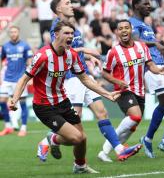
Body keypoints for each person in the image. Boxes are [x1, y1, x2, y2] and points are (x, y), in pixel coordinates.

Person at [8, 20, 136, 174]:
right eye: (66, 33)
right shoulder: (43, 55)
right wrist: (14, 98)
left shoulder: (72, 55)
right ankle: (52, 139)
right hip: (44, 106)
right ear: (56, 35)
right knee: (76, 138)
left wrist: (107, 94)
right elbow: (24, 78)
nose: (71, 37)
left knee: (82, 138)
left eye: (72, 34)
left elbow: (85, 79)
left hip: (63, 102)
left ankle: (80, 166)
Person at [36, 0, 142, 166]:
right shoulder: (56, 27)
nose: (71, 5)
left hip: (84, 75)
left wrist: (89, 56)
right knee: (75, 121)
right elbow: (62, 50)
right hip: (72, 78)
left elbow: (74, 53)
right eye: (68, 3)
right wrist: (86, 50)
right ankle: (49, 139)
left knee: (102, 113)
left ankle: (119, 150)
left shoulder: (72, 26)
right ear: (58, 8)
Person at [97, 19, 164, 162]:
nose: (123, 30)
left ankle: (104, 152)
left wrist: (159, 71)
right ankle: (119, 148)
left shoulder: (142, 47)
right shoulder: (114, 51)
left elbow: (150, 65)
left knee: (133, 124)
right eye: (120, 28)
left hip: (140, 90)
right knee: (135, 116)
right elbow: (104, 73)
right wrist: (117, 81)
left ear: (131, 30)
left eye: (126, 28)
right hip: (123, 90)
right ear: (117, 32)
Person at [129, 0, 164, 158]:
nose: (149, 6)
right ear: (136, 5)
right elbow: (133, 40)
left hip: (163, 64)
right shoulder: (132, 22)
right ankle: (148, 139)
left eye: (149, 3)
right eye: (145, 3)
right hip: (150, 67)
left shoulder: (148, 26)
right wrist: (155, 44)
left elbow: (154, 48)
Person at [0, 25, 33, 136]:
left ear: (18, 32)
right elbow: (1, 59)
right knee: (2, 102)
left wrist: (29, 77)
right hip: (7, 79)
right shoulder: (5, 46)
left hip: (20, 80)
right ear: (9, 34)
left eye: (15, 32)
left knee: (22, 104)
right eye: (11, 32)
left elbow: (29, 62)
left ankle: (23, 128)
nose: (13, 34)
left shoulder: (25, 46)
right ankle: (8, 126)